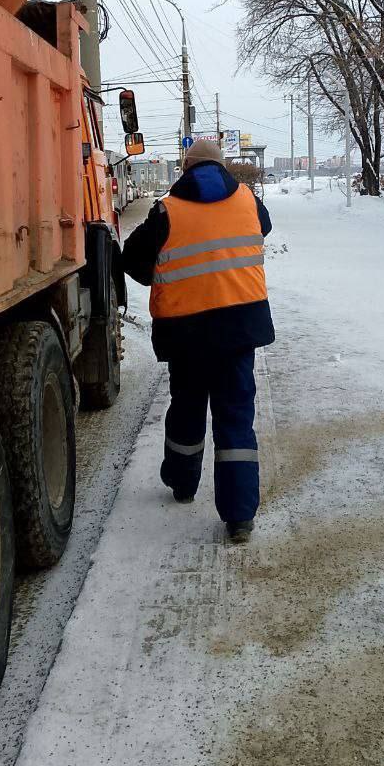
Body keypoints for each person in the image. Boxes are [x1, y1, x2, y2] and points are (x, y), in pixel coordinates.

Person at [122, 140, 274, 543]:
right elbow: (264, 228)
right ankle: (240, 517)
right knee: (236, 418)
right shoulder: (248, 202)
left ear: (185, 167)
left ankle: (182, 482)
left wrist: (166, 279)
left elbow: (132, 257)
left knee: (188, 408)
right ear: (221, 167)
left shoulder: (166, 210)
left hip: (186, 333)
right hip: (239, 329)